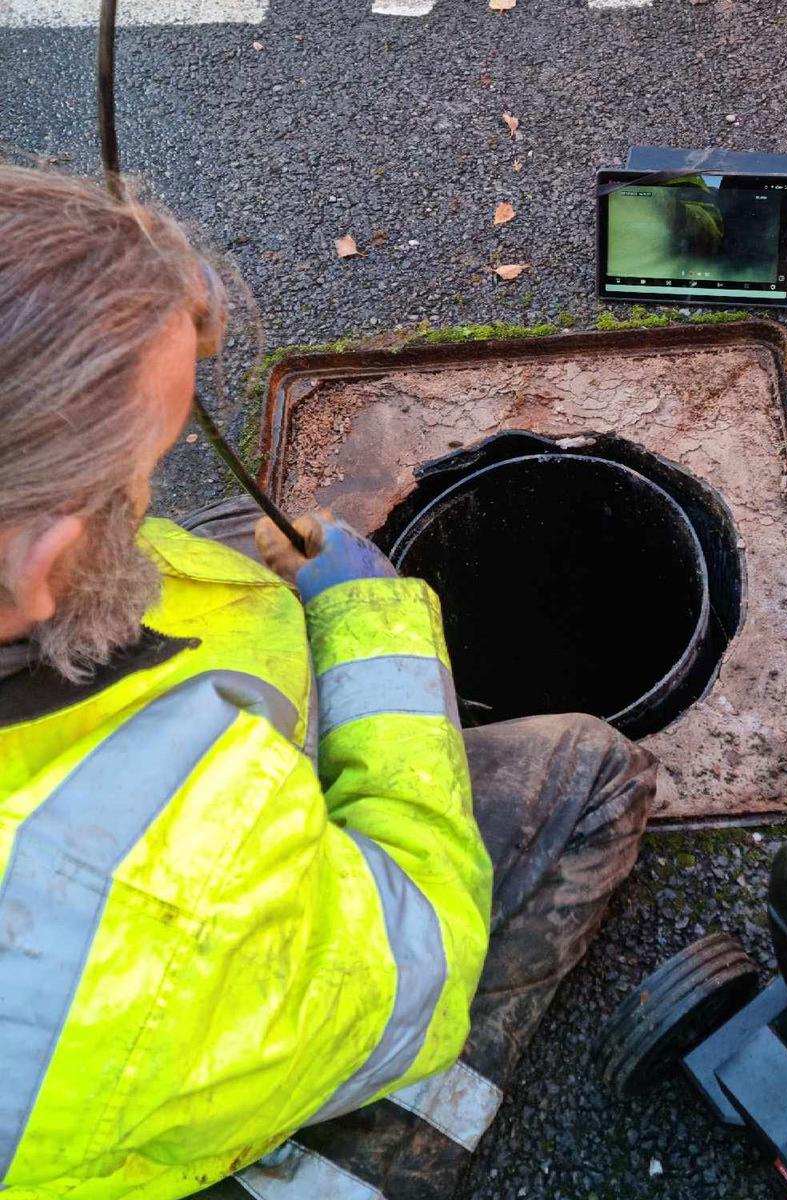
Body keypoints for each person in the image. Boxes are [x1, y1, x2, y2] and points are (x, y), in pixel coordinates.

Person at [0, 165, 656, 1200]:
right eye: (143, 475)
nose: (152, 495)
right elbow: (421, 947)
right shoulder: (176, 886)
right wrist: (372, 626)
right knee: (589, 778)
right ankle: (346, 1167)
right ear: (40, 569)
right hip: (132, 1084)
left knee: (227, 559)